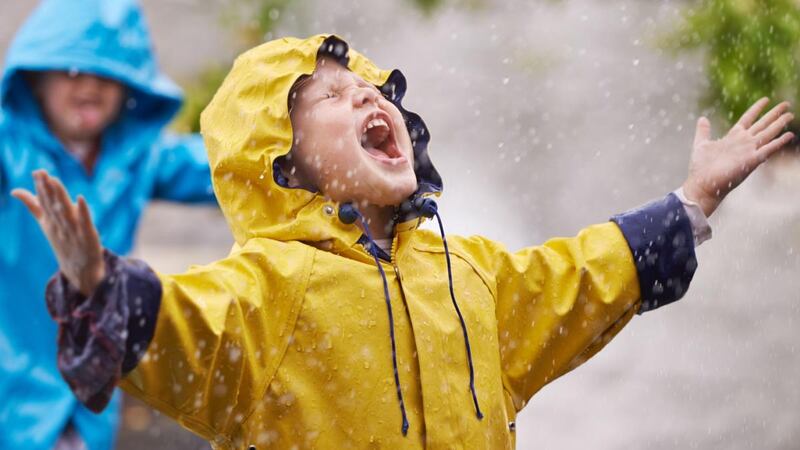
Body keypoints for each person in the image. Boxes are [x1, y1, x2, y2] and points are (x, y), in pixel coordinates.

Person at [13, 35, 794, 449]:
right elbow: (184, 328)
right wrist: (97, 286)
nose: (363, 92)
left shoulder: (467, 274)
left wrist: (691, 202)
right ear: (280, 164)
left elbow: (579, 276)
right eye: (326, 95)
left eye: (368, 88)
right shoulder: (269, 292)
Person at [0, 0, 216, 448]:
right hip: (12, 387)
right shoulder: (9, 148)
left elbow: (221, 168)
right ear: (37, 79)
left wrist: (311, 157)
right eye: (72, 72)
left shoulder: (136, 158)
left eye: (107, 74)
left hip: (91, 395)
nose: (90, 86)